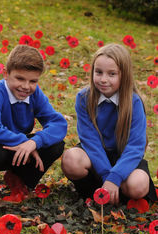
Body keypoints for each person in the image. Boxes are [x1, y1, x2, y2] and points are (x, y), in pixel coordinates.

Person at [0, 45, 67, 201]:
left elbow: (59, 124)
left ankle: (19, 179)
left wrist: (34, 142)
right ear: (6, 74)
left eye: (33, 81)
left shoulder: (34, 94)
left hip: (17, 149)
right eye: (20, 78)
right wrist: (25, 141)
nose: (26, 86)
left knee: (56, 145)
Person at [61, 43, 157, 205]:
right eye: (98, 72)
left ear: (124, 75)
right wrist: (107, 176)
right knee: (71, 159)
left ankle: (119, 195)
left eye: (112, 74)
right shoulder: (84, 98)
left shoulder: (133, 102)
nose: (103, 79)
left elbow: (135, 147)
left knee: (138, 185)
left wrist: (115, 177)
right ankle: (95, 194)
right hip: (95, 155)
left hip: (124, 158)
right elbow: (90, 140)